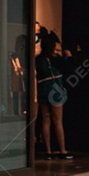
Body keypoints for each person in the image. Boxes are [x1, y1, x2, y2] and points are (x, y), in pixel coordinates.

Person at [36, 31, 72, 160]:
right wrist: (68, 56)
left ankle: (48, 151)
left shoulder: (38, 60)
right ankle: (62, 150)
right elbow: (69, 67)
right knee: (58, 121)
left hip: (42, 89)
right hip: (55, 90)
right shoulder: (56, 60)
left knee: (45, 120)